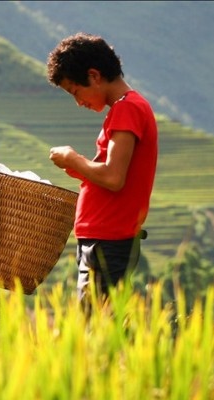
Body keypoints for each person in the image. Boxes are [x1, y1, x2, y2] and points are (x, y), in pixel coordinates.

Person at [46, 33, 158, 310]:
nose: (78, 102)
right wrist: (76, 167)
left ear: (94, 76)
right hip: (102, 239)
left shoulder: (127, 108)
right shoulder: (125, 109)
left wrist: (73, 158)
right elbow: (111, 174)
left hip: (108, 241)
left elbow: (112, 177)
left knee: (95, 328)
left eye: (75, 91)